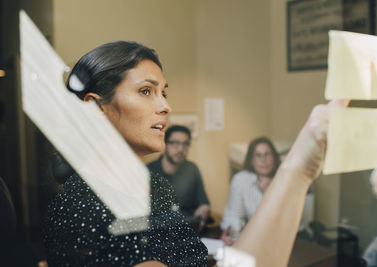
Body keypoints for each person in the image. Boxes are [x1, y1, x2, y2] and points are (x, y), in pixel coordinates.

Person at [42, 40, 349, 267]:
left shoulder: (153, 188)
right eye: (146, 91)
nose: (165, 106)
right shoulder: (83, 207)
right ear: (97, 109)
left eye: (164, 92)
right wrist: (298, 168)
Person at [147, 125, 210, 232]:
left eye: (185, 144)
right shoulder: (148, 172)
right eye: (175, 143)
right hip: (158, 233)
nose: (181, 149)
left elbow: (203, 204)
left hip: (187, 229)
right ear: (165, 145)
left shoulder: (192, 169)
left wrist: (199, 220)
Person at [220, 136, 280, 245]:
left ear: (274, 158)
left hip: (279, 239)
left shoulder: (283, 179)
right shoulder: (241, 179)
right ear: (251, 160)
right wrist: (231, 232)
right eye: (258, 155)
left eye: (267, 154)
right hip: (251, 238)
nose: (263, 160)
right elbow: (234, 214)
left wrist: (268, 193)